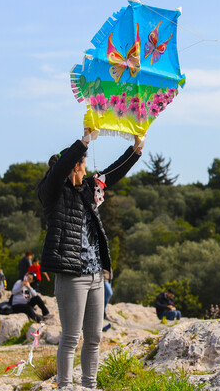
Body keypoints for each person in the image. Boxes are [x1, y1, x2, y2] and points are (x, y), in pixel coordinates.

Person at [38, 128, 143, 389]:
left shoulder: (88, 190)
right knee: (72, 336)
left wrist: (135, 150)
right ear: (74, 167)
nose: (86, 171)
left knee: (94, 336)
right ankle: (65, 386)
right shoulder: (52, 193)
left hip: (96, 274)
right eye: (82, 167)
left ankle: (89, 385)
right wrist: (84, 143)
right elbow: (59, 170)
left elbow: (113, 173)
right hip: (71, 274)